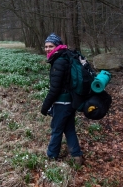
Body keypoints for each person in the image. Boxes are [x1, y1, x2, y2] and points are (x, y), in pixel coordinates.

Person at [41, 33, 84, 165]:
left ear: (57, 46)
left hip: (62, 102)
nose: (48, 49)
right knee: (69, 128)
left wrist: (45, 106)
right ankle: (77, 156)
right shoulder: (65, 57)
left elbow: (55, 89)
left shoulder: (59, 61)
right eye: (46, 46)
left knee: (57, 129)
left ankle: (51, 156)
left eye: (51, 46)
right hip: (71, 101)